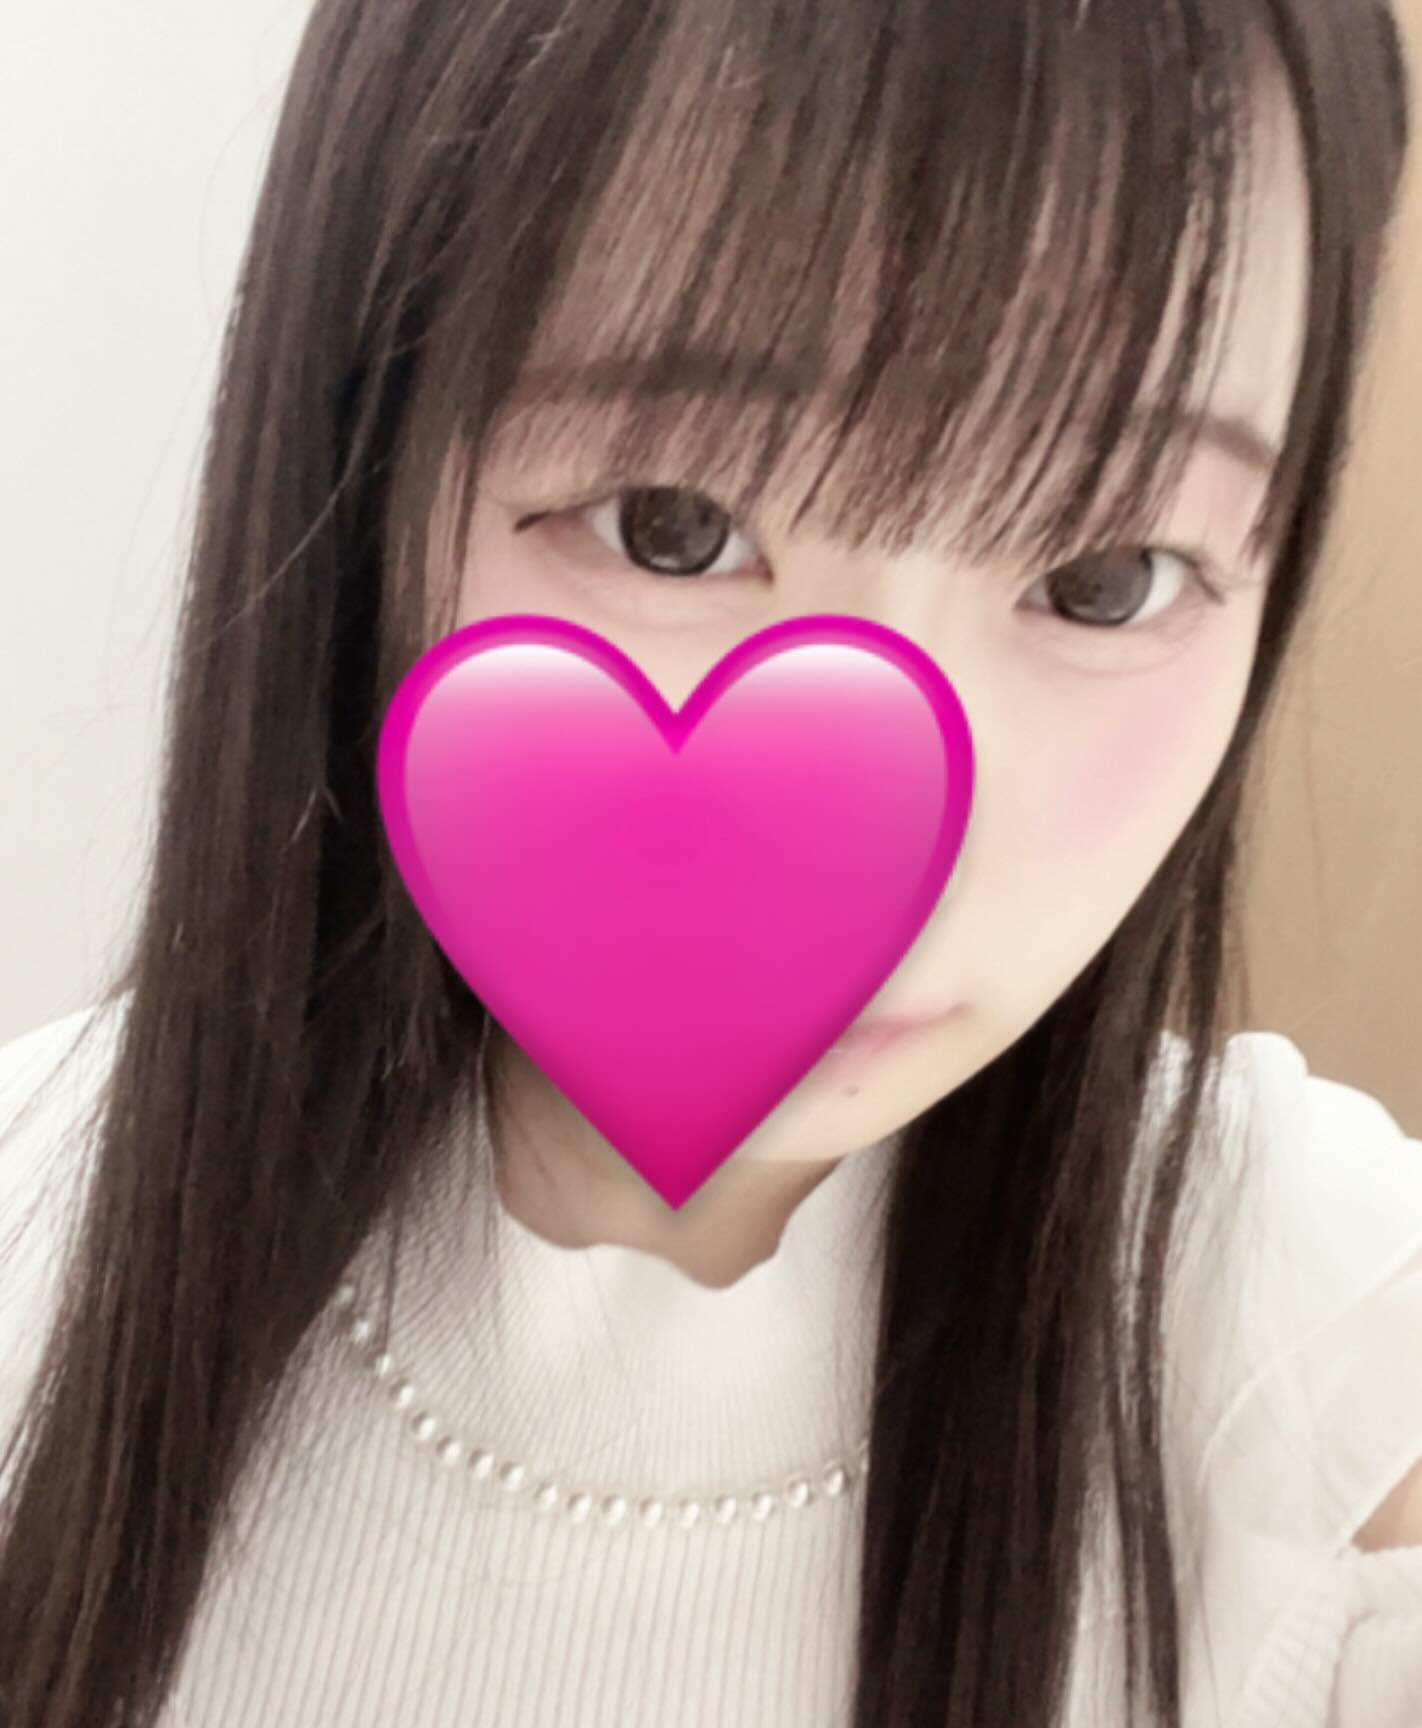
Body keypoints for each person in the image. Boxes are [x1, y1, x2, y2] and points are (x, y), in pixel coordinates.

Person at [1, 0, 1420, 1724]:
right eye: (672, 529)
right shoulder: (32, 1250)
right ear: (360, 462)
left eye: (1104, 576)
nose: (892, 846)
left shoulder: (1332, 1389)